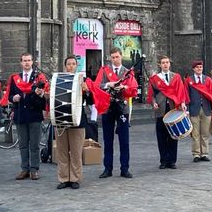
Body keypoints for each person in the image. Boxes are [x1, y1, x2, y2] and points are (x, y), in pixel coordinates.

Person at [0, 53, 48, 181]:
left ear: (32, 62)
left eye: (29, 60)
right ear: (21, 63)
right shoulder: (15, 78)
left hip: (35, 115)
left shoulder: (39, 78)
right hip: (21, 114)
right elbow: (9, 95)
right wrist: (13, 98)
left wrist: (40, 94)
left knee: (35, 144)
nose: (26, 63)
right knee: (22, 144)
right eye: (24, 61)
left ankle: (34, 169)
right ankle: (25, 169)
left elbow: (45, 98)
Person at [96, 47, 138, 179]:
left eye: (117, 57)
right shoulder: (104, 71)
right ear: (110, 58)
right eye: (113, 57)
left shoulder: (127, 72)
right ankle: (107, 168)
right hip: (107, 107)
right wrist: (109, 84)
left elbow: (133, 89)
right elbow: (97, 86)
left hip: (122, 108)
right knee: (108, 139)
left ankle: (124, 168)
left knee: (124, 140)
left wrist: (124, 87)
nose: (115, 59)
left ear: (121, 57)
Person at [55, 55, 95, 189]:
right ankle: (63, 178)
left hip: (77, 119)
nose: (71, 66)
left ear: (77, 66)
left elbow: (91, 101)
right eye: (69, 64)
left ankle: (75, 178)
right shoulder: (58, 79)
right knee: (62, 151)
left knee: (76, 151)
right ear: (65, 66)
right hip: (61, 118)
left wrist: (87, 91)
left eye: (73, 64)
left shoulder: (83, 80)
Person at [147, 55, 189, 169]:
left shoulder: (176, 77)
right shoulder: (155, 79)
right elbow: (152, 94)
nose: (165, 64)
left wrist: (183, 103)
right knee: (161, 136)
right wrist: (153, 102)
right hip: (160, 110)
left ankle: (172, 160)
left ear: (170, 64)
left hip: (173, 109)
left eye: (167, 62)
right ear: (160, 65)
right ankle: (163, 161)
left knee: (173, 135)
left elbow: (181, 92)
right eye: (163, 62)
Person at [186, 60, 212, 162]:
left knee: (205, 132)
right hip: (193, 109)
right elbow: (186, 95)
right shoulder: (188, 80)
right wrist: (187, 110)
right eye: (197, 67)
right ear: (193, 69)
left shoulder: (208, 80)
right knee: (195, 133)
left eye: (200, 67)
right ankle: (196, 154)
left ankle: (204, 153)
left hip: (206, 109)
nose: (199, 69)